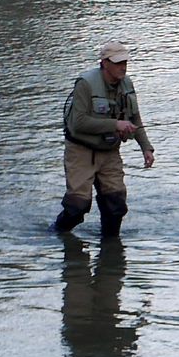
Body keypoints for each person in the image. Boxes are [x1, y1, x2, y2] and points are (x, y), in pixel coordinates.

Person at [50, 41, 155, 237]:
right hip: (81, 152)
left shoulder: (127, 84)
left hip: (109, 151)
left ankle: (110, 246)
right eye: (118, 63)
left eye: (125, 62)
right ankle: (57, 233)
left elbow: (135, 118)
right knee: (77, 207)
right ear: (104, 63)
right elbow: (78, 123)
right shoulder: (85, 84)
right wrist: (115, 125)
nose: (123, 67)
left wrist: (146, 148)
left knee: (116, 206)